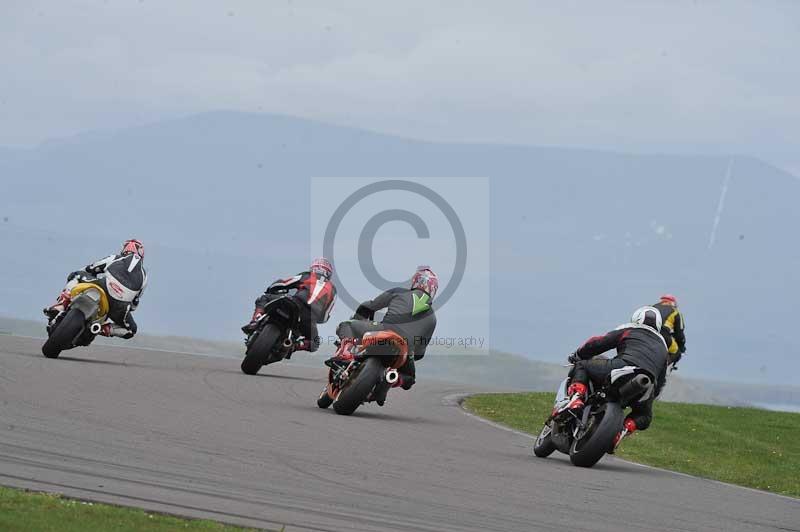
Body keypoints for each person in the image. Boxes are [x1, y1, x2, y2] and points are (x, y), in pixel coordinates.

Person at [562, 306, 669, 449]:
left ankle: (577, 398)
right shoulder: (664, 347)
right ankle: (624, 429)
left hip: (624, 366)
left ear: (636, 318)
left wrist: (578, 354)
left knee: (582, 366)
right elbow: (661, 380)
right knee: (644, 416)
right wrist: (651, 396)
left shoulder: (630, 329)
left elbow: (599, 342)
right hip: (647, 383)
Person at [329, 266, 438, 405]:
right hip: (405, 348)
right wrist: (409, 355)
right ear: (433, 290)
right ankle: (390, 380)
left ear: (415, 281)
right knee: (409, 378)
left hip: (384, 330)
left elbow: (369, 306)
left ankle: (345, 353)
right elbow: (420, 352)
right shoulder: (433, 318)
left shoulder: (399, 292)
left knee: (346, 325)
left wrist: (359, 319)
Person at [44, 239, 147, 339]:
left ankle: (61, 305)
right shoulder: (144, 277)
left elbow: (91, 268)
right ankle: (101, 329)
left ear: (124, 249)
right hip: (120, 307)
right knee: (131, 330)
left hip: (103, 287)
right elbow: (134, 304)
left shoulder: (115, 258)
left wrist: (91, 273)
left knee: (75, 275)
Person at [241, 257, 336, 355]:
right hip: (310, 317)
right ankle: (294, 345)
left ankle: (255, 321)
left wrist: (271, 289)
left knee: (264, 298)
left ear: (313, 268)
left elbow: (284, 283)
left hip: (295, 302)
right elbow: (325, 315)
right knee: (315, 342)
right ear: (329, 274)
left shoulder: (307, 275)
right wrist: (316, 319)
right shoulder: (333, 290)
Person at [653, 294, 686, 365]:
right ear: (673, 303)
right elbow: (679, 333)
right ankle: (663, 368)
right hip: (662, 333)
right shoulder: (675, 312)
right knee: (676, 352)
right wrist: (682, 347)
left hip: (644, 330)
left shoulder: (651, 307)